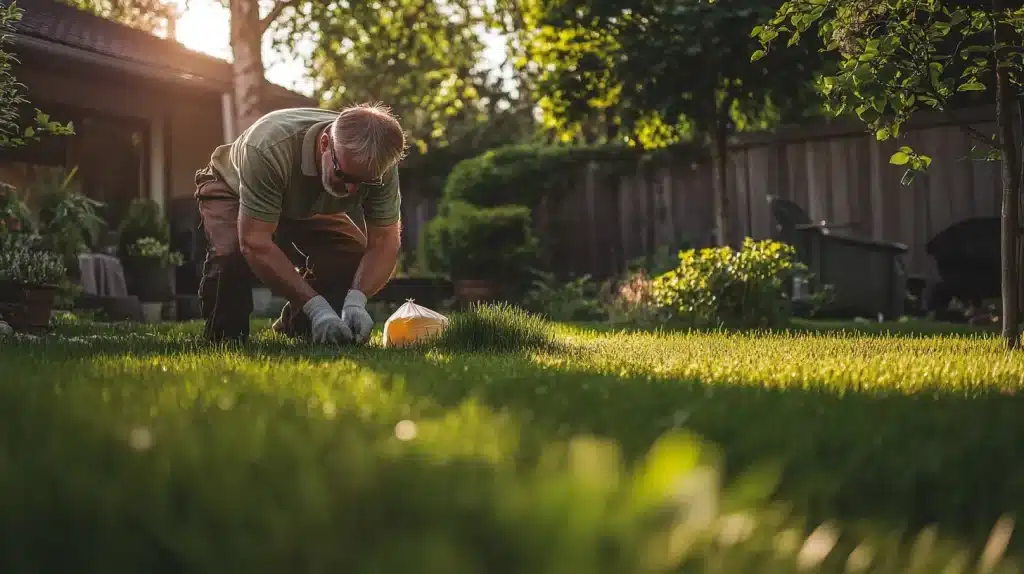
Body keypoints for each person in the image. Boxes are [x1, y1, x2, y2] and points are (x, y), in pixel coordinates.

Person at [191, 102, 407, 345]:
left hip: (306, 201)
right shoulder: (268, 147)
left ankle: (301, 327)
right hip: (233, 188)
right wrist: (316, 307)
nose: (351, 190)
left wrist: (357, 299)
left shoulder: (380, 163)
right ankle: (223, 339)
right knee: (230, 253)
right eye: (343, 175)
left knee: (350, 254)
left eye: (364, 182)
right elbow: (255, 242)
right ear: (325, 143)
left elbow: (385, 241)